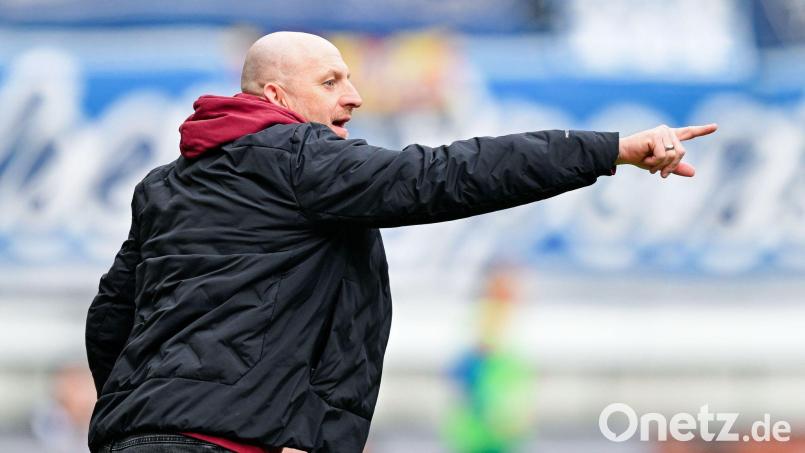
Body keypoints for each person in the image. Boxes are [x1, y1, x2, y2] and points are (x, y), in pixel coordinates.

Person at [85, 31, 717, 453]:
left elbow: (110, 319)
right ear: (276, 97)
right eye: (331, 82)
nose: (354, 96)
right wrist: (610, 149)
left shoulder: (166, 185)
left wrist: (147, 418)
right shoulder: (300, 160)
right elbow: (448, 173)